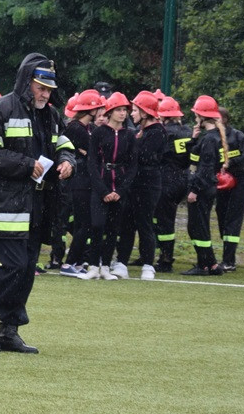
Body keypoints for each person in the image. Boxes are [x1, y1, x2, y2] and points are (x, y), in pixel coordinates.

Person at [0, 54, 75, 353]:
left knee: (27, 268)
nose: (45, 93)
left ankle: (10, 331)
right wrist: (25, 164)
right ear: (26, 82)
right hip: (2, 205)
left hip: (37, 204)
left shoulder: (51, 115)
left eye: (49, 89)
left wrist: (67, 162)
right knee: (15, 265)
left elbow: (64, 144)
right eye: (41, 87)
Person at [79, 92, 137, 281]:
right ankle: (94, 266)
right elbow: (92, 162)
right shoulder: (98, 132)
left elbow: (132, 165)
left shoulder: (130, 135)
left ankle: (106, 267)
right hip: (101, 184)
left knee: (113, 228)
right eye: (119, 110)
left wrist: (120, 191)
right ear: (110, 112)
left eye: (125, 110)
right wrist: (103, 191)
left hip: (119, 185)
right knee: (97, 225)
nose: (123, 114)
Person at [119, 91, 166, 280]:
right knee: (127, 224)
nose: (132, 114)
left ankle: (148, 264)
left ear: (145, 113)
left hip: (148, 185)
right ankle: (121, 262)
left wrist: (129, 147)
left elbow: (143, 156)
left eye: (136, 110)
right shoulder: (142, 131)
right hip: (134, 183)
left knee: (144, 223)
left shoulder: (157, 132)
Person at [59, 89, 104, 277]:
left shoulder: (86, 129)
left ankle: (76, 262)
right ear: (90, 111)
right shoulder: (76, 128)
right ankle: (69, 263)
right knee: (83, 224)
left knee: (83, 224)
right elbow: (96, 151)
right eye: (98, 110)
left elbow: (92, 152)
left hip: (85, 181)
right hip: (79, 182)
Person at [181, 95, 226, 276]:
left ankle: (204, 264)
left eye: (196, 114)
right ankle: (212, 264)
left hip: (203, 188)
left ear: (202, 116)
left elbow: (205, 169)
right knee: (200, 226)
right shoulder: (211, 137)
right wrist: (193, 139)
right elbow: (194, 157)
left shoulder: (209, 140)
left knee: (197, 227)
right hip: (208, 187)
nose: (194, 118)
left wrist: (194, 190)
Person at [214, 107, 244, 271]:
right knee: (221, 215)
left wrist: (230, 163)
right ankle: (226, 256)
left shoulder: (238, 136)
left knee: (233, 219)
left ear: (224, 119)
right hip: (221, 183)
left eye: (217, 118)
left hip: (239, 182)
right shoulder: (211, 137)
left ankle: (229, 261)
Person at [154, 96, 191, 272]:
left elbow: (158, 156)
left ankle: (166, 258)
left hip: (167, 179)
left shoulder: (164, 133)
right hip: (183, 179)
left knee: (165, 221)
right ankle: (165, 254)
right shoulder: (188, 131)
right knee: (168, 218)